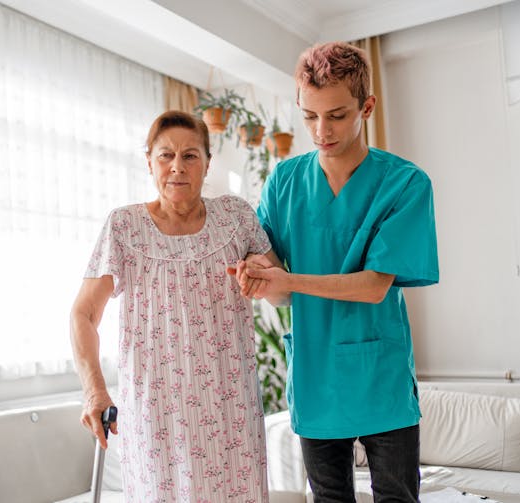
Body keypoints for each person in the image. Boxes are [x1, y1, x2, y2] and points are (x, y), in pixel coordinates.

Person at [232, 42, 439, 502]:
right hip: (315, 375)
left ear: (366, 107)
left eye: (337, 115)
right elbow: (280, 291)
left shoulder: (405, 183)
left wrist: (287, 279)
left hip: (380, 378)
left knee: (397, 498)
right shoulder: (284, 183)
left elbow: (372, 287)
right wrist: (260, 276)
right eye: (309, 116)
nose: (320, 130)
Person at [70, 110, 279, 502]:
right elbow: (83, 314)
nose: (177, 167)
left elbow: (283, 292)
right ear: (149, 161)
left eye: (190, 156)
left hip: (230, 415)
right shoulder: (123, 227)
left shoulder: (236, 218)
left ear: (207, 163)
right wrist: (94, 391)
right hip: (156, 419)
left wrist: (262, 277)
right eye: (166, 156)